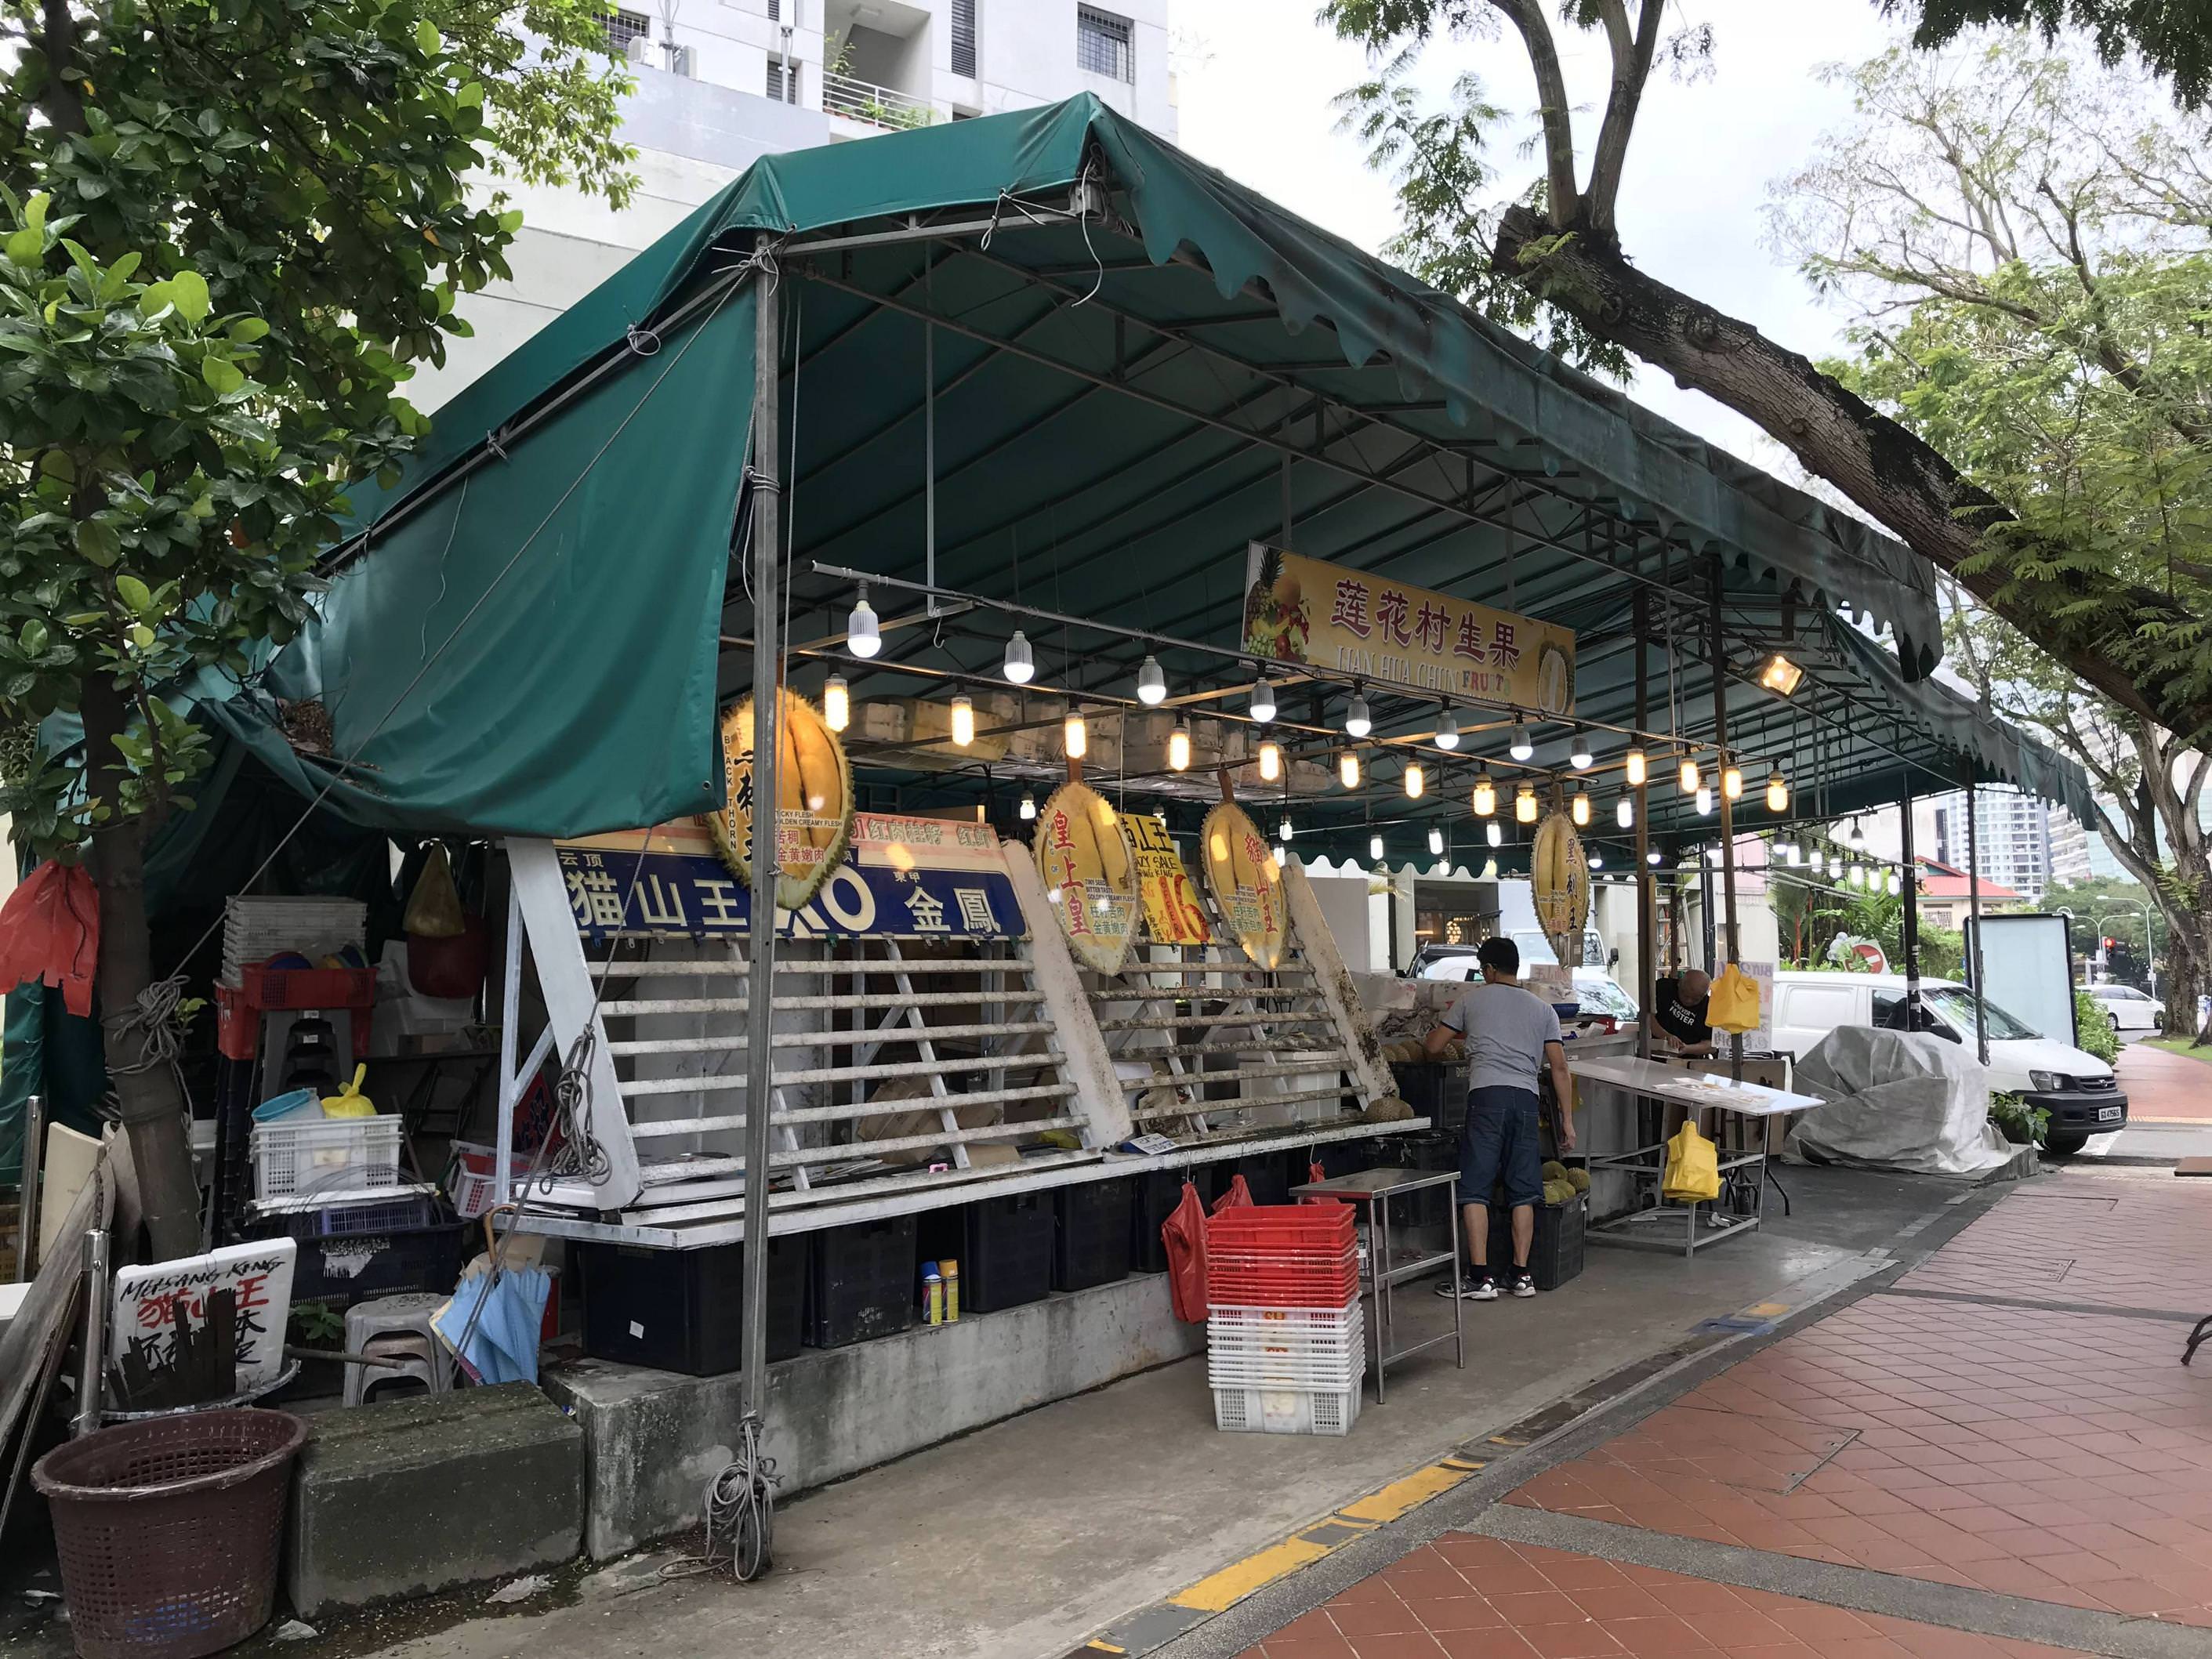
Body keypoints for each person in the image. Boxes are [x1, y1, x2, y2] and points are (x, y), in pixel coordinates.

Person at [1423, 936, 1574, 1301]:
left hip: (1487, 1097)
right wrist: (1567, 1121)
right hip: (1526, 1101)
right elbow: (1559, 1067)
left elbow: (1433, 1047)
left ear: (1489, 969)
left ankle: (1480, 1277)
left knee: (1476, 1187)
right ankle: (1521, 1276)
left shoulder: (1470, 1000)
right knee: (1524, 1190)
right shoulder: (1543, 1009)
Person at [1651, 967, 1714, 1056]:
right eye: (1685, 994)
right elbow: (1647, 1017)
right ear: (1679, 983)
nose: (1689, 1001)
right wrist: (1665, 1035)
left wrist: (1687, 1049)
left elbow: (1712, 1045)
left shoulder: (1710, 1008)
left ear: (1704, 995)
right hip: (1653, 1049)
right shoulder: (1664, 987)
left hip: (1687, 1058)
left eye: (1696, 999)